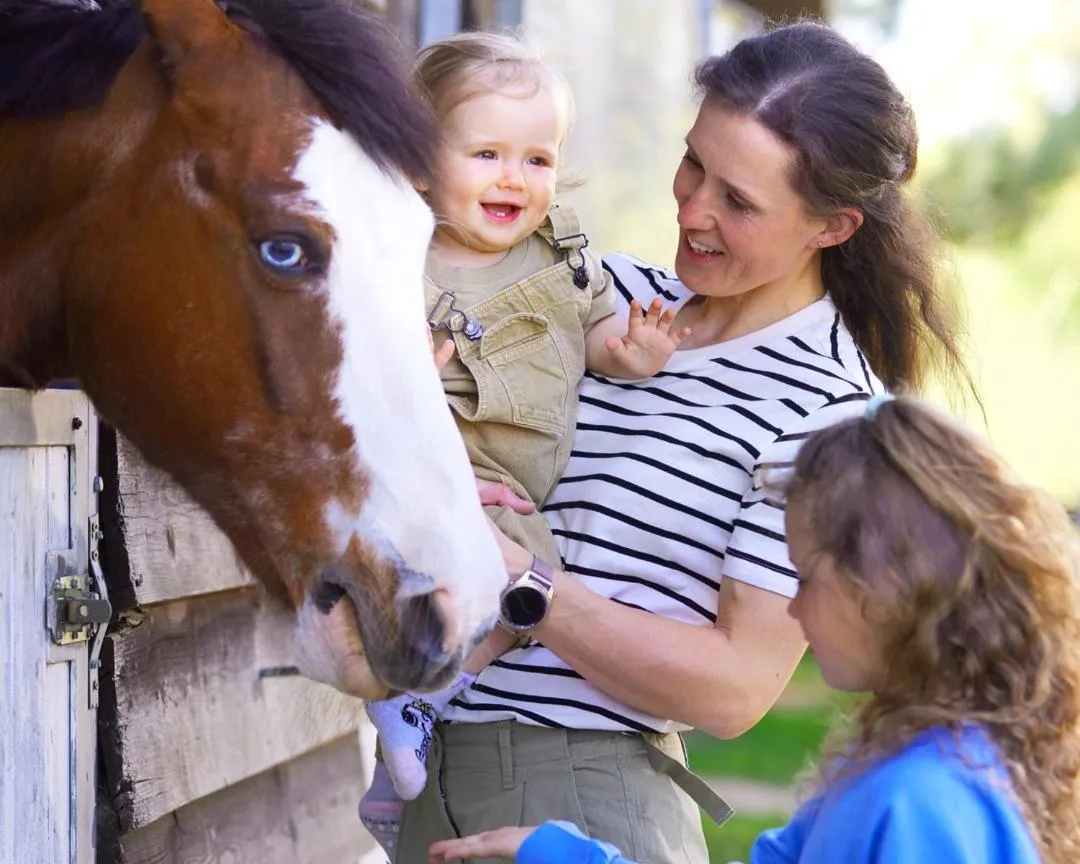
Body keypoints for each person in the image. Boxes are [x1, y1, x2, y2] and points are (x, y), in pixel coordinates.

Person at [397, 19, 975, 864]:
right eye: (693, 163)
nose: (694, 209)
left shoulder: (828, 413)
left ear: (833, 227)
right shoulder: (594, 296)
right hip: (430, 771)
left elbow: (735, 689)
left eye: (738, 201)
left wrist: (523, 582)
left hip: (587, 806)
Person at [426, 393, 1080, 864]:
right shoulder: (907, 764)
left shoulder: (921, 802)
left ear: (887, 587)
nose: (793, 611)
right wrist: (565, 855)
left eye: (807, 578)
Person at [358, 31, 690, 858]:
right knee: (519, 586)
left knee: (525, 594)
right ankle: (417, 708)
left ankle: (404, 743)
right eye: (488, 153)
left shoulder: (564, 258)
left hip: (515, 488)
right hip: (442, 471)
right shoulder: (402, 259)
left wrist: (633, 352)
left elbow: (602, 333)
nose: (516, 177)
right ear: (422, 161)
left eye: (538, 158)